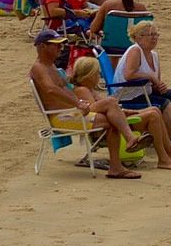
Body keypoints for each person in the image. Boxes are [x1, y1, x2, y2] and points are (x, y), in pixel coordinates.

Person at [28, 31, 147, 179]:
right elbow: (50, 89)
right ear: (42, 47)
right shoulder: (39, 67)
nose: (61, 48)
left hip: (72, 111)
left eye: (61, 45)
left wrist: (79, 102)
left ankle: (118, 163)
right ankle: (124, 150)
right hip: (60, 117)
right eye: (56, 45)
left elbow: (67, 87)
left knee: (112, 111)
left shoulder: (52, 67)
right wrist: (77, 103)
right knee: (111, 110)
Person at [114, 21, 171, 166]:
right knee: (164, 104)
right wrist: (150, 77)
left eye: (156, 34)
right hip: (128, 96)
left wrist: (160, 86)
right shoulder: (135, 51)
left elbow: (155, 83)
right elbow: (129, 74)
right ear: (138, 37)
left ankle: (169, 136)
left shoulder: (154, 55)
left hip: (144, 93)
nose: (154, 38)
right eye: (150, 35)